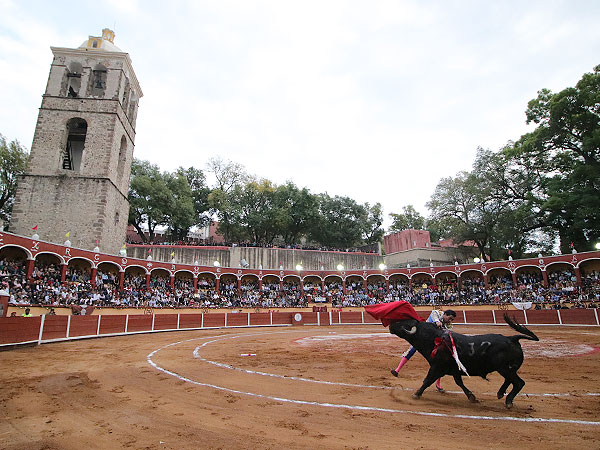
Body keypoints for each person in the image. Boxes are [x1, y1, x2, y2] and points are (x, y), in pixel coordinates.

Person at [390, 309, 457, 392]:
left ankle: (438, 383)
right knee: (411, 350)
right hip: (422, 336)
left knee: (439, 360)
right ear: (445, 314)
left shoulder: (449, 325)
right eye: (449, 318)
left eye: (452, 320)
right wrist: (437, 321)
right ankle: (397, 370)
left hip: (432, 342)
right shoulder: (438, 313)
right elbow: (433, 313)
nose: (450, 321)